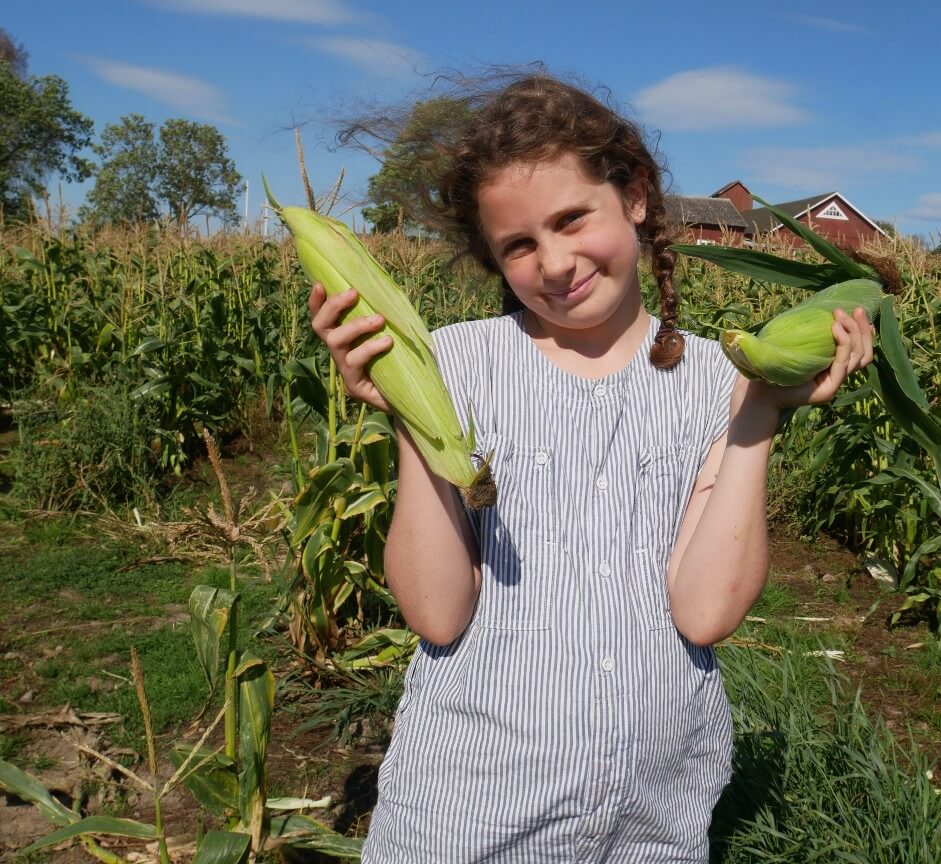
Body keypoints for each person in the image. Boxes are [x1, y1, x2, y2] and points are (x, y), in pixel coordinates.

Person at [308, 71, 873, 863]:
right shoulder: (456, 368)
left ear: (635, 195)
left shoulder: (723, 383)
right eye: (519, 245)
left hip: (649, 826)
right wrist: (412, 413)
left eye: (573, 219)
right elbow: (437, 615)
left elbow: (705, 614)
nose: (556, 261)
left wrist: (760, 418)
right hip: (467, 821)